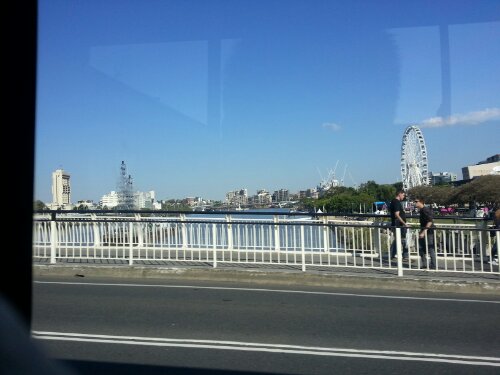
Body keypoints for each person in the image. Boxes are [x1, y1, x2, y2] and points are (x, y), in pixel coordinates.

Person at [414, 198, 436, 269]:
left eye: (416, 202)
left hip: (428, 231)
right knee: (421, 247)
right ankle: (425, 264)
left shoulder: (425, 210)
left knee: (430, 248)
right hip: (424, 230)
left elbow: (430, 221)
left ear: (421, 202)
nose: (415, 203)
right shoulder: (422, 210)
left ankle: (433, 265)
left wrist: (423, 232)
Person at [389, 190, 409, 260]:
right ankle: (405, 256)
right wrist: (404, 223)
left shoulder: (393, 201)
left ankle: (392, 254)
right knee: (403, 240)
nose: (404, 196)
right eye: (403, 195)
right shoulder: (396, 202)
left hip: (396, 224)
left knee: (397, 240)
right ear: (399, 194)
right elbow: (397, 214)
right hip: (399, 225)